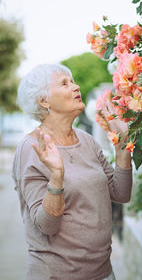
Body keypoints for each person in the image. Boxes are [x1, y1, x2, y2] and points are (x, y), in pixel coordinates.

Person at [12, 64, 132, 280]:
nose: (76, 87)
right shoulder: (31, 149)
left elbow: (121, 194)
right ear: (44, 101)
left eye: (73, 81)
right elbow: (46, 226)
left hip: (103, 272)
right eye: (64, 83)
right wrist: (57, 177)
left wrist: (122, 146)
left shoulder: (87, 141)